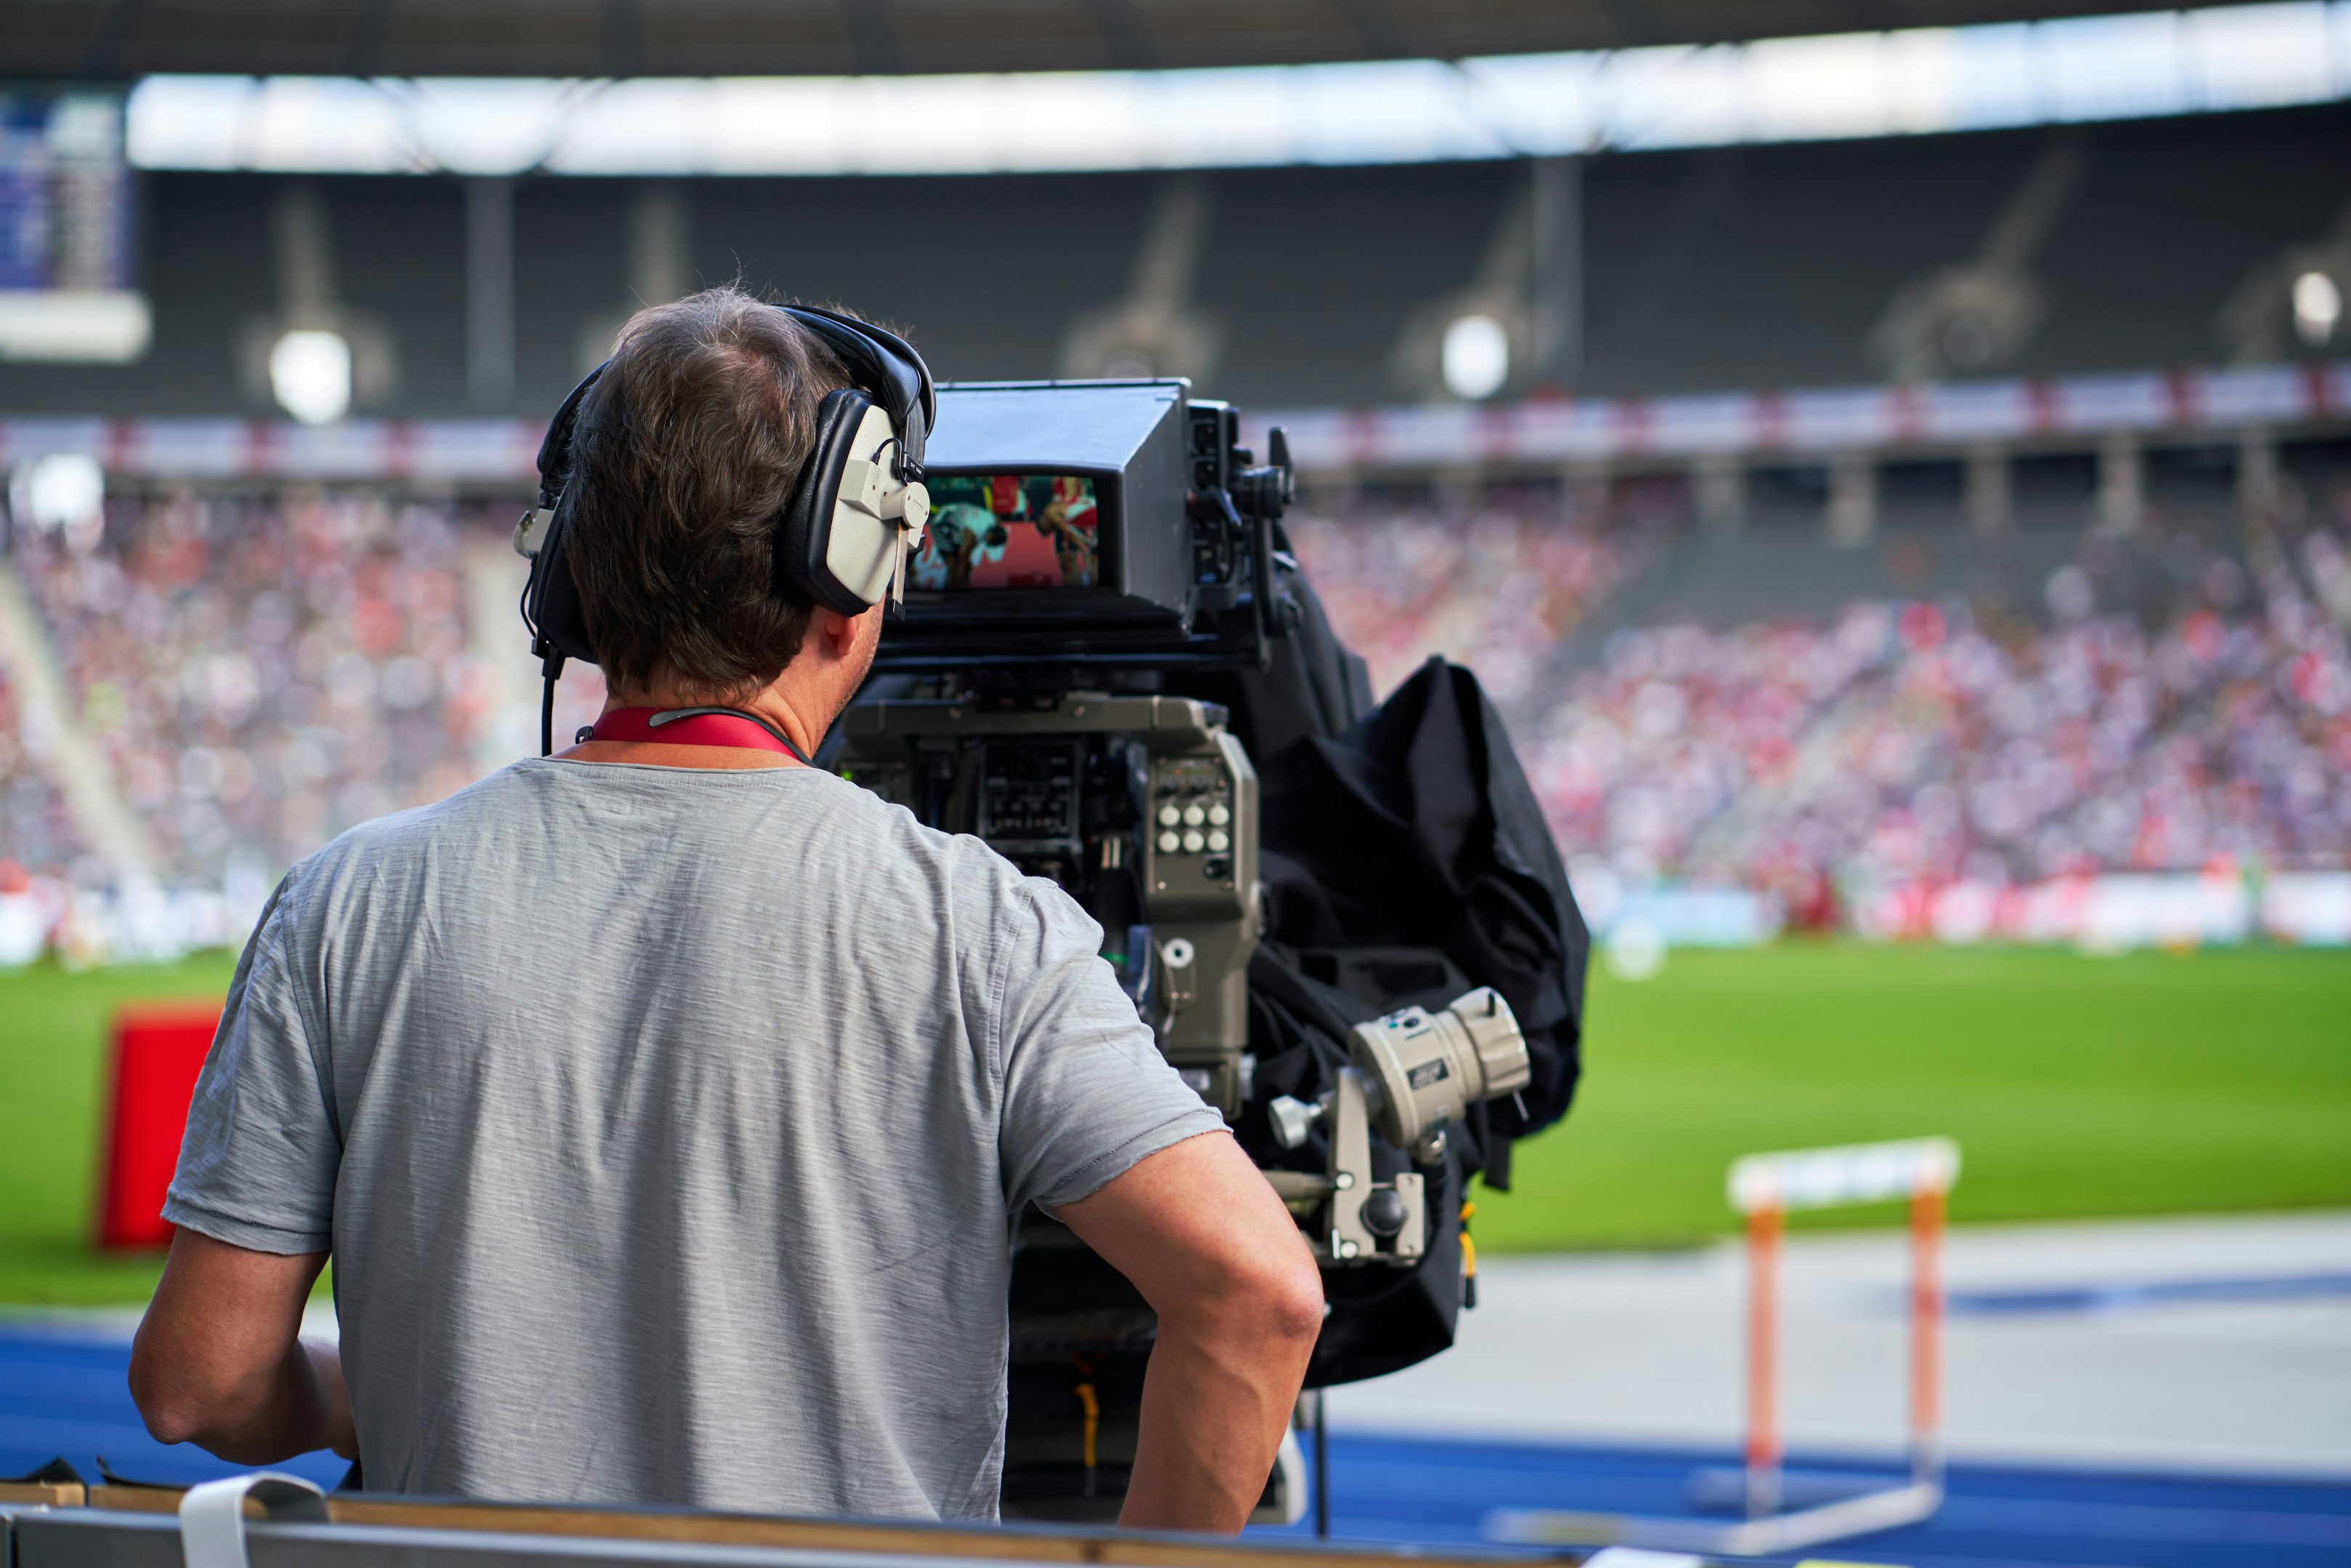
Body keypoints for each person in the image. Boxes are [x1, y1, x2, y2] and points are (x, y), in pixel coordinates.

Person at [127, 287, 1324, 1531]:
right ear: (852, 569)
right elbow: (1258, 1295)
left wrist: (348, 1402)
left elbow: (196, 1381)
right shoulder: (978, 925)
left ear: (572, 578)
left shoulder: (345, 902)